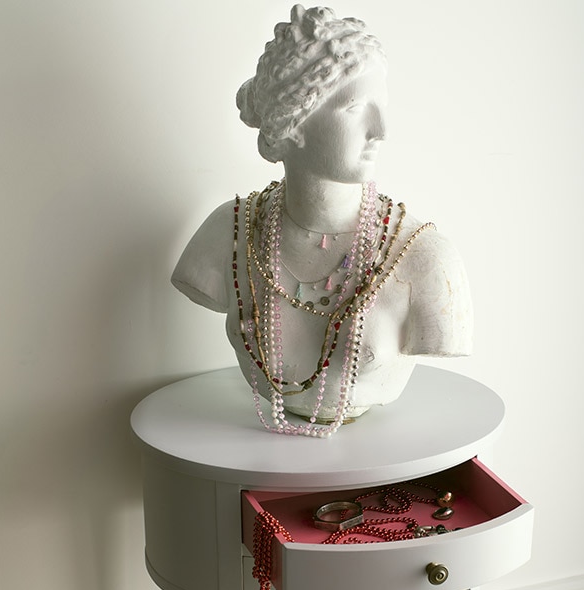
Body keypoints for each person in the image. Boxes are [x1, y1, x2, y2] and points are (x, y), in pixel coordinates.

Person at [172, 5, 472, 437]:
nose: (381, 129)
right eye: (354, 108)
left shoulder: (425, 258)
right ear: (294, 122)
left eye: (381, 106)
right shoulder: (228, 235)